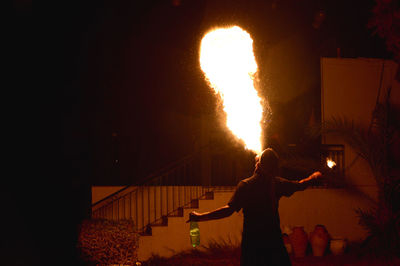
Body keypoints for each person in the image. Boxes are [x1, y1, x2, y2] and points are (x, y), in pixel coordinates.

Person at [187, 148, 322, 265]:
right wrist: (313, 177)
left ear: (258, 165)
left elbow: (228, 210)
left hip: (253, 245)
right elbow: (300, 185)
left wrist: (200, 217)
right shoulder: (278, 184)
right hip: (273, 244)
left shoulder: (246, 186)